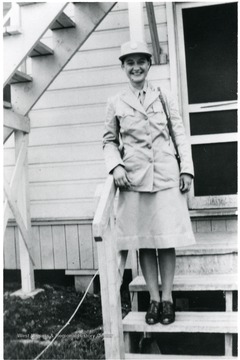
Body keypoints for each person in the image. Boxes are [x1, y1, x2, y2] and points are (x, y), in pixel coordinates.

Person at [102, 41, 195, 325]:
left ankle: (167, 298)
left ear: (149, 65)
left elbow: (178, 133)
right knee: (144, 242)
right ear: (123, 68)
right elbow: (108, 141)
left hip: (166, 175)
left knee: (166, 240)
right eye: (130, 63)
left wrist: (187, 169)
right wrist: (115, 165)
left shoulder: (163, 96)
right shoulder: (116, 102)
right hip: (134, 179)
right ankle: (153, 299)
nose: (136, 67)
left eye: (141, 61)